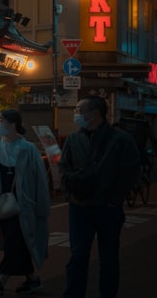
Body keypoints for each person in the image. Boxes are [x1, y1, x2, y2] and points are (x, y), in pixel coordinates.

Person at [59, 96, 140, 298]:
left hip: (107, 208)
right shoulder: (74, 138)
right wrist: (70, 192)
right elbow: (64, 167)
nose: (76, 114)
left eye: (79, 110)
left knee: (109, 258)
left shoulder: (120, 139)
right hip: (79, 206)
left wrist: (114, 200)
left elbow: (130, 171)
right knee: (78, 256)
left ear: (94, 113)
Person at [0, 109, 50, 298]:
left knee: (14, 242)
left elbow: (40, 180)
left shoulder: (29, 149)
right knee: (18, 243)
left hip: (24, 205)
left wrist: (42, 207)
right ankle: (31, 279)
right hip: (2, 205)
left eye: (0, 121)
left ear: (13, 124)